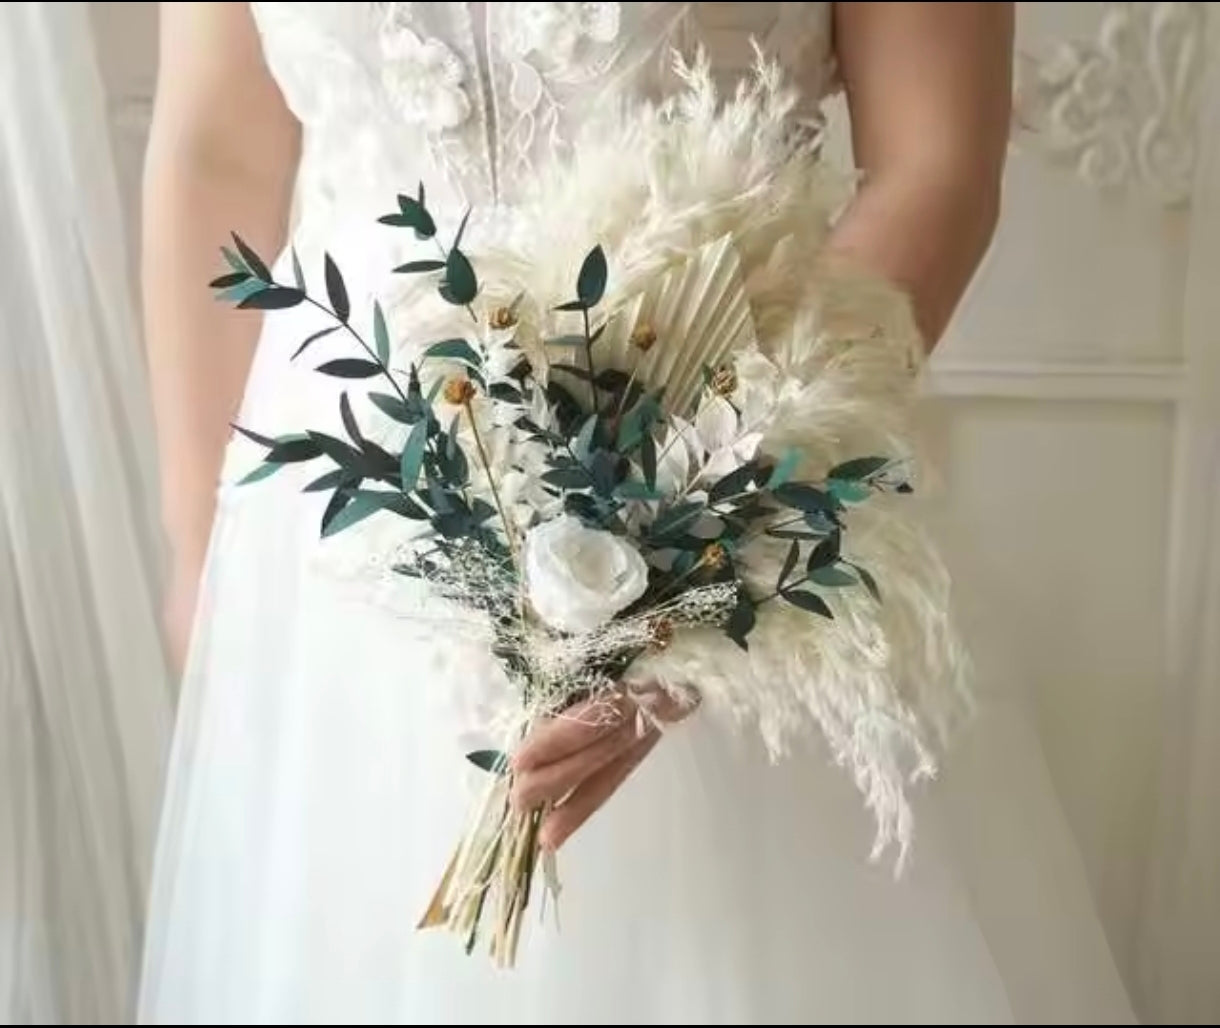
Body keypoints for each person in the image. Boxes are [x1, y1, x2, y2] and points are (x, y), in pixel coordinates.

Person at [139, 3, 1135, 1022]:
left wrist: (698, 562)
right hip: (336, 556)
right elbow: (216, 150)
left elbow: (935, 162)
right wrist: (195, 549)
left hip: (730, 469)